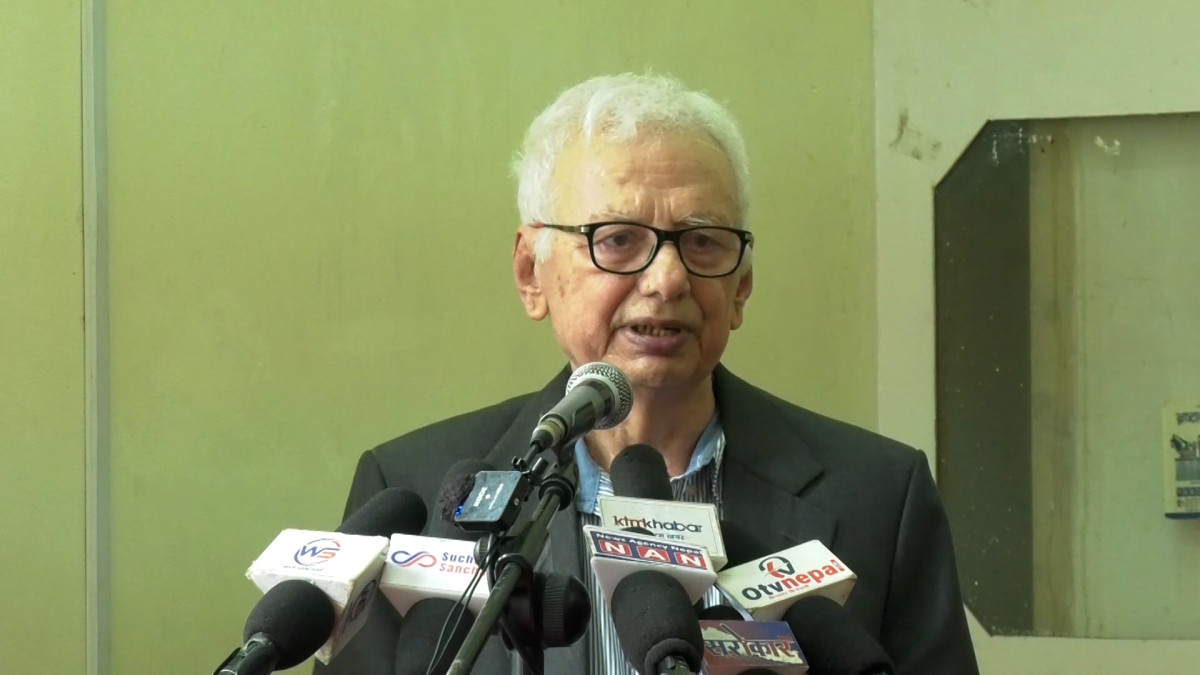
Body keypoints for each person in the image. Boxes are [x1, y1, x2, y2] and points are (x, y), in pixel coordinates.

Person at [316, 73, 979, 674]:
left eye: (703, 241)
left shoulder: (879, 499)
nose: (668, 279)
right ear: (531, 273)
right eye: (617, 238)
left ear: (742, 286)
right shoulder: (412, 491)